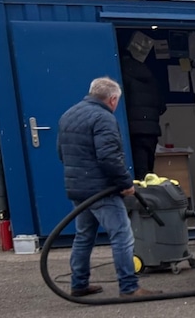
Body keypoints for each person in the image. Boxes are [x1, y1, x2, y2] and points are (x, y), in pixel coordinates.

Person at [58, 76, 152, 299]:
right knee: (122, 235)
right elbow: (109, 157)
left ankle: (79, 284)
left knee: (84, 236)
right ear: (112, 100)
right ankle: (129, 287)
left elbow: (61, 153)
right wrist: (126, 184)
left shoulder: (68, 114)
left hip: (78, 187)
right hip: (101, 190)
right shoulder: (103, 118)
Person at [119, 43, 165, 176]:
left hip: (134, 131)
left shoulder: (121, 76)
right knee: (149, 173)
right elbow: (162, 106)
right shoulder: (149, 75)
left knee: (137, 172)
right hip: (152, 130)